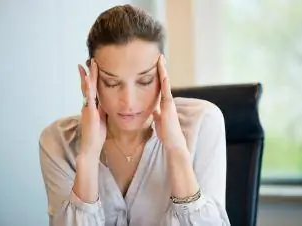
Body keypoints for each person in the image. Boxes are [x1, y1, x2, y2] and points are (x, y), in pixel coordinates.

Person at [39, 4, 231, 226]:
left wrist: (177, 149)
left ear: (162, 73)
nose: (129, 102)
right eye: (111, 82)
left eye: (145, 81)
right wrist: (89, 155)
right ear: (89, 80)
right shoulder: (58, 141)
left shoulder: (203, 122)